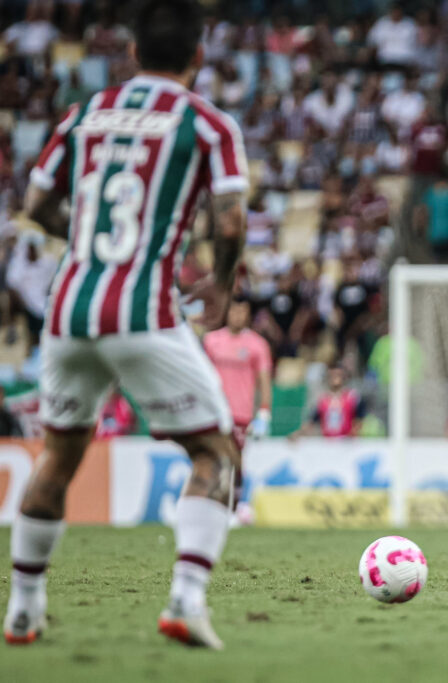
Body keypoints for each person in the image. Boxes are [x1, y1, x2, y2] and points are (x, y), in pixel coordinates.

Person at [4, 0, 248, 650]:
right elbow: (228, 221)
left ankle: (22, 608)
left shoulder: (83, 113)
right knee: (218, 451)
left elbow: (33, 204)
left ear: (134, 53)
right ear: (198, 56)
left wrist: (83, 240)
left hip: (68, 305)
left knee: (57, 456)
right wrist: (220, 283)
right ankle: (186, 600)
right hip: (142, 307)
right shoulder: (207, 122)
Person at [203, 297, 273, 449]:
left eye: (243, 311)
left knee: (235, 462)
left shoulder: (258, 344)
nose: (238, 315)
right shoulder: (211, 340)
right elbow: (201, 375)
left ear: (248, 315)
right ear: (226, 312)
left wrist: (264, 412)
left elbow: (264, 380)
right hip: (214, 413)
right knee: (210, 462)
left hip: (241, 415)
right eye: (234, 310)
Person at [291, 365, 364, 439]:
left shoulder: (352, 398)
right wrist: (298, 433)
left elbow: (359, 420)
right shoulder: (323, 400)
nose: (335, 378)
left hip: (346, 442)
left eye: (338, 375)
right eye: (332, 375)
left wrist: (353, 434)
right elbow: (311, 422)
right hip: (328, 444)